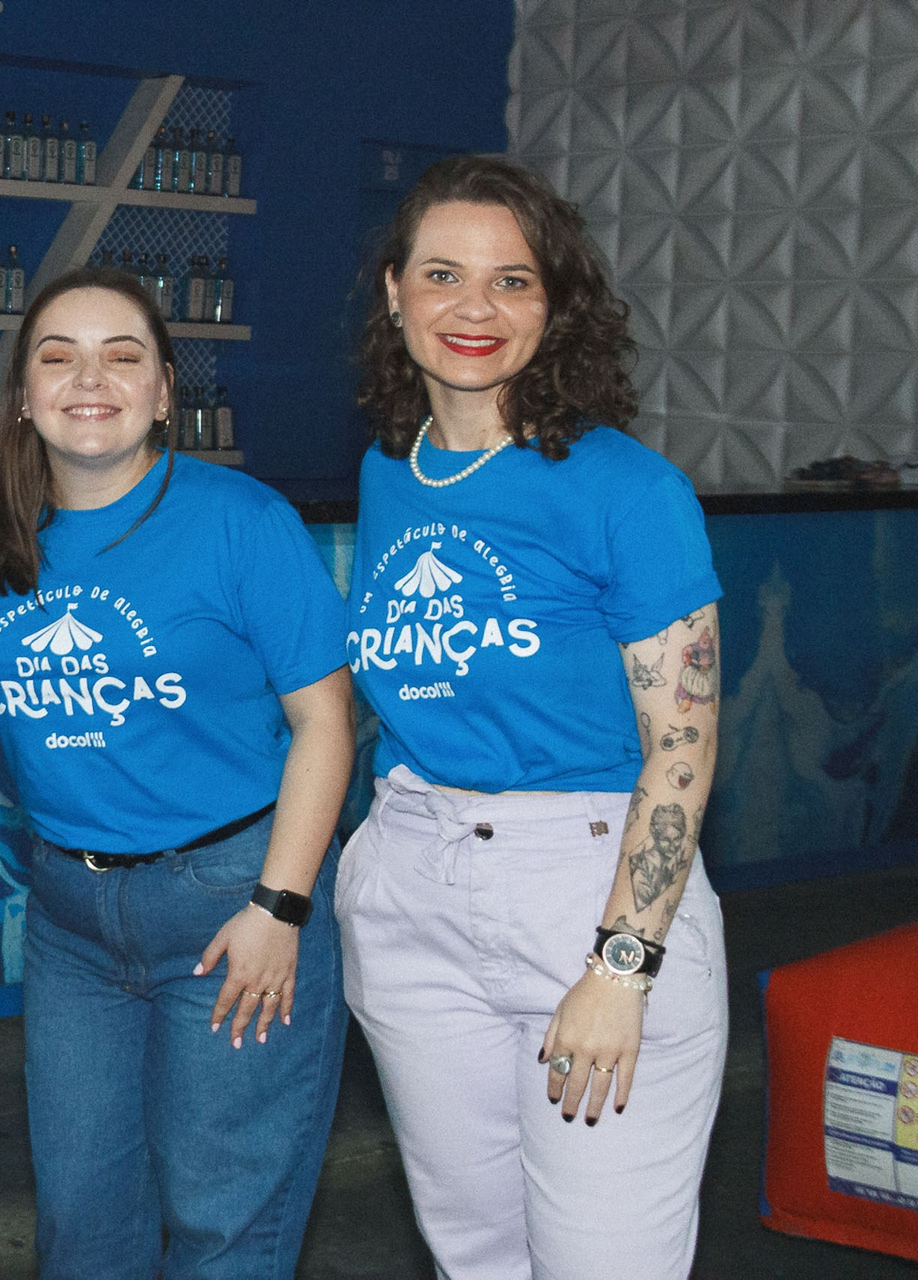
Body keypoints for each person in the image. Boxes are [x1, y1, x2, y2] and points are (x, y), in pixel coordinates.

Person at [340, 154, 728, 1278]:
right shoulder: (391, 468)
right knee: (474, 1253)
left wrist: (621, 964)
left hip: (588, 890)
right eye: (444, 275)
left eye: (512, 281)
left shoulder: (629, 489)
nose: (475, 308)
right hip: (414, 882)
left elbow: (683, 745)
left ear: (555, 306)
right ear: (394, 291)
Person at [0, 266, 354, 1278]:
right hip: (70, 919)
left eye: (122, 356)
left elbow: (324, 723)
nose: (91, 379)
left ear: (165, 391)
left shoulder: (239, 519)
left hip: (231, 899)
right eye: (59, 357)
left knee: (224, 1224)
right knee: (81, 1224)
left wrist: (280, 908)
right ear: (24, 396)